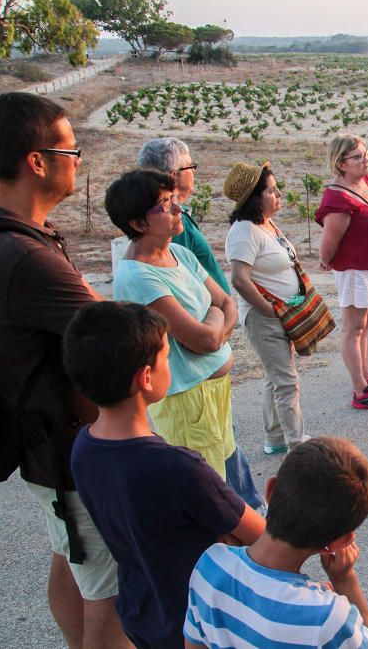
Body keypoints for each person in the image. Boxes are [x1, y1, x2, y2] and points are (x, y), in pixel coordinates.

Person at [0, 92, 129, 649]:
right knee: (109, 586)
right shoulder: (24, 255)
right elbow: (120, 331)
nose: (78, 158)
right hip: (64, 444)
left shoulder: (22, 239)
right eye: (70, 147)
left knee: (71, 556)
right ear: (37, 161)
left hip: (44, 444)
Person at [65, 301, 265, 649]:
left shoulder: (84, 447)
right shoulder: (179, 468)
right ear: (145, 377)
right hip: (198, 621)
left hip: (141, 610)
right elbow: (258, 534)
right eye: (165, 355)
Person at [105, 170, 263, 510]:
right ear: (138, 223)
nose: (178, 209)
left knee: (222, 475)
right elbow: (202, 340)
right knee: (207, 492)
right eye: (165, 204)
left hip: (212, 392)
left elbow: (226, 302)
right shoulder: (138, 276)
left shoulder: (181, 255)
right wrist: (216, 328)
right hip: (187, 400)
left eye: (174, 200)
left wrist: (213, 326)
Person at [184, 436, 368, 649]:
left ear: (270, 491)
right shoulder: (328, 617)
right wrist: (344, 580)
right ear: (339, 543)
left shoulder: (211, 565)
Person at [224, 162, 309, 455]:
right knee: (286, 381)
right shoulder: (244, 231)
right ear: (254, 197)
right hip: (265, 319)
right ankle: (297, 447)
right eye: (272, 190)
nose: (279, 193)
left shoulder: (265, 223)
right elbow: (239, 279)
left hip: (282, 315)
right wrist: (268, 310)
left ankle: (275, 438)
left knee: (275, 378)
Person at [317, 134, 368, 410]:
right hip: (355, 270)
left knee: (367, 321)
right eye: (358, 157)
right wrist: (326, 260)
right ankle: (361, 391)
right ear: (340, 164)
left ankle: (366, 373)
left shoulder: (363, 181)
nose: (365, 160)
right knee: (354, 328)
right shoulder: (338, 199)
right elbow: (329, 244)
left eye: (366, 154)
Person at [137, 137, 231, 294]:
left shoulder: (156, 217)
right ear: (174, 175)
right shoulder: (172, 221)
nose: (193, 171)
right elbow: (180, 279)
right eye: (190, 167)